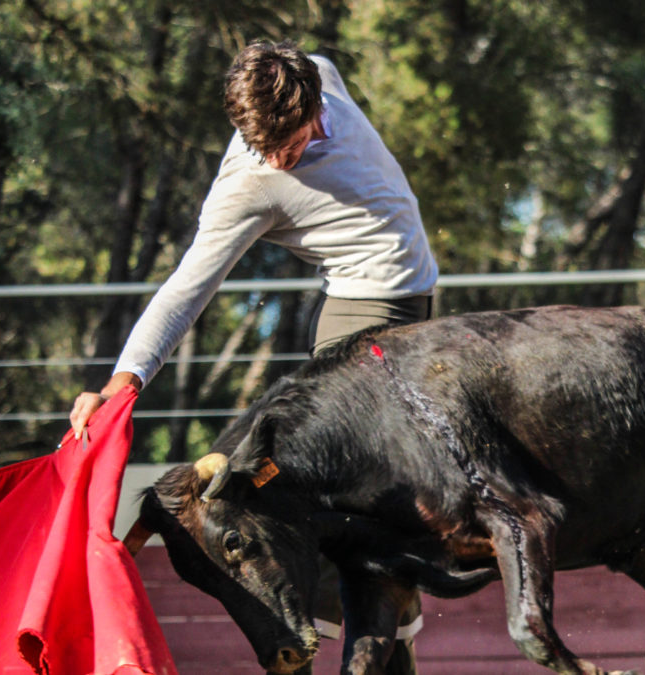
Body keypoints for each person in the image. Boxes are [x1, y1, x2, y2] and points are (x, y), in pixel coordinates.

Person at [69, 39, 436, 674]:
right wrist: (121, 384)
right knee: (317, 489)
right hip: (360, 309)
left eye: (287, 143)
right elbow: (185, 290)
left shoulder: (319, 74)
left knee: (374, 500)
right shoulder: (248, 185)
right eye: (261, 146)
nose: (274, 157)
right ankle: (299, 644)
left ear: (316, 105)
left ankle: (392, 633)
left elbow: (315, 54)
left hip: (416, 301)